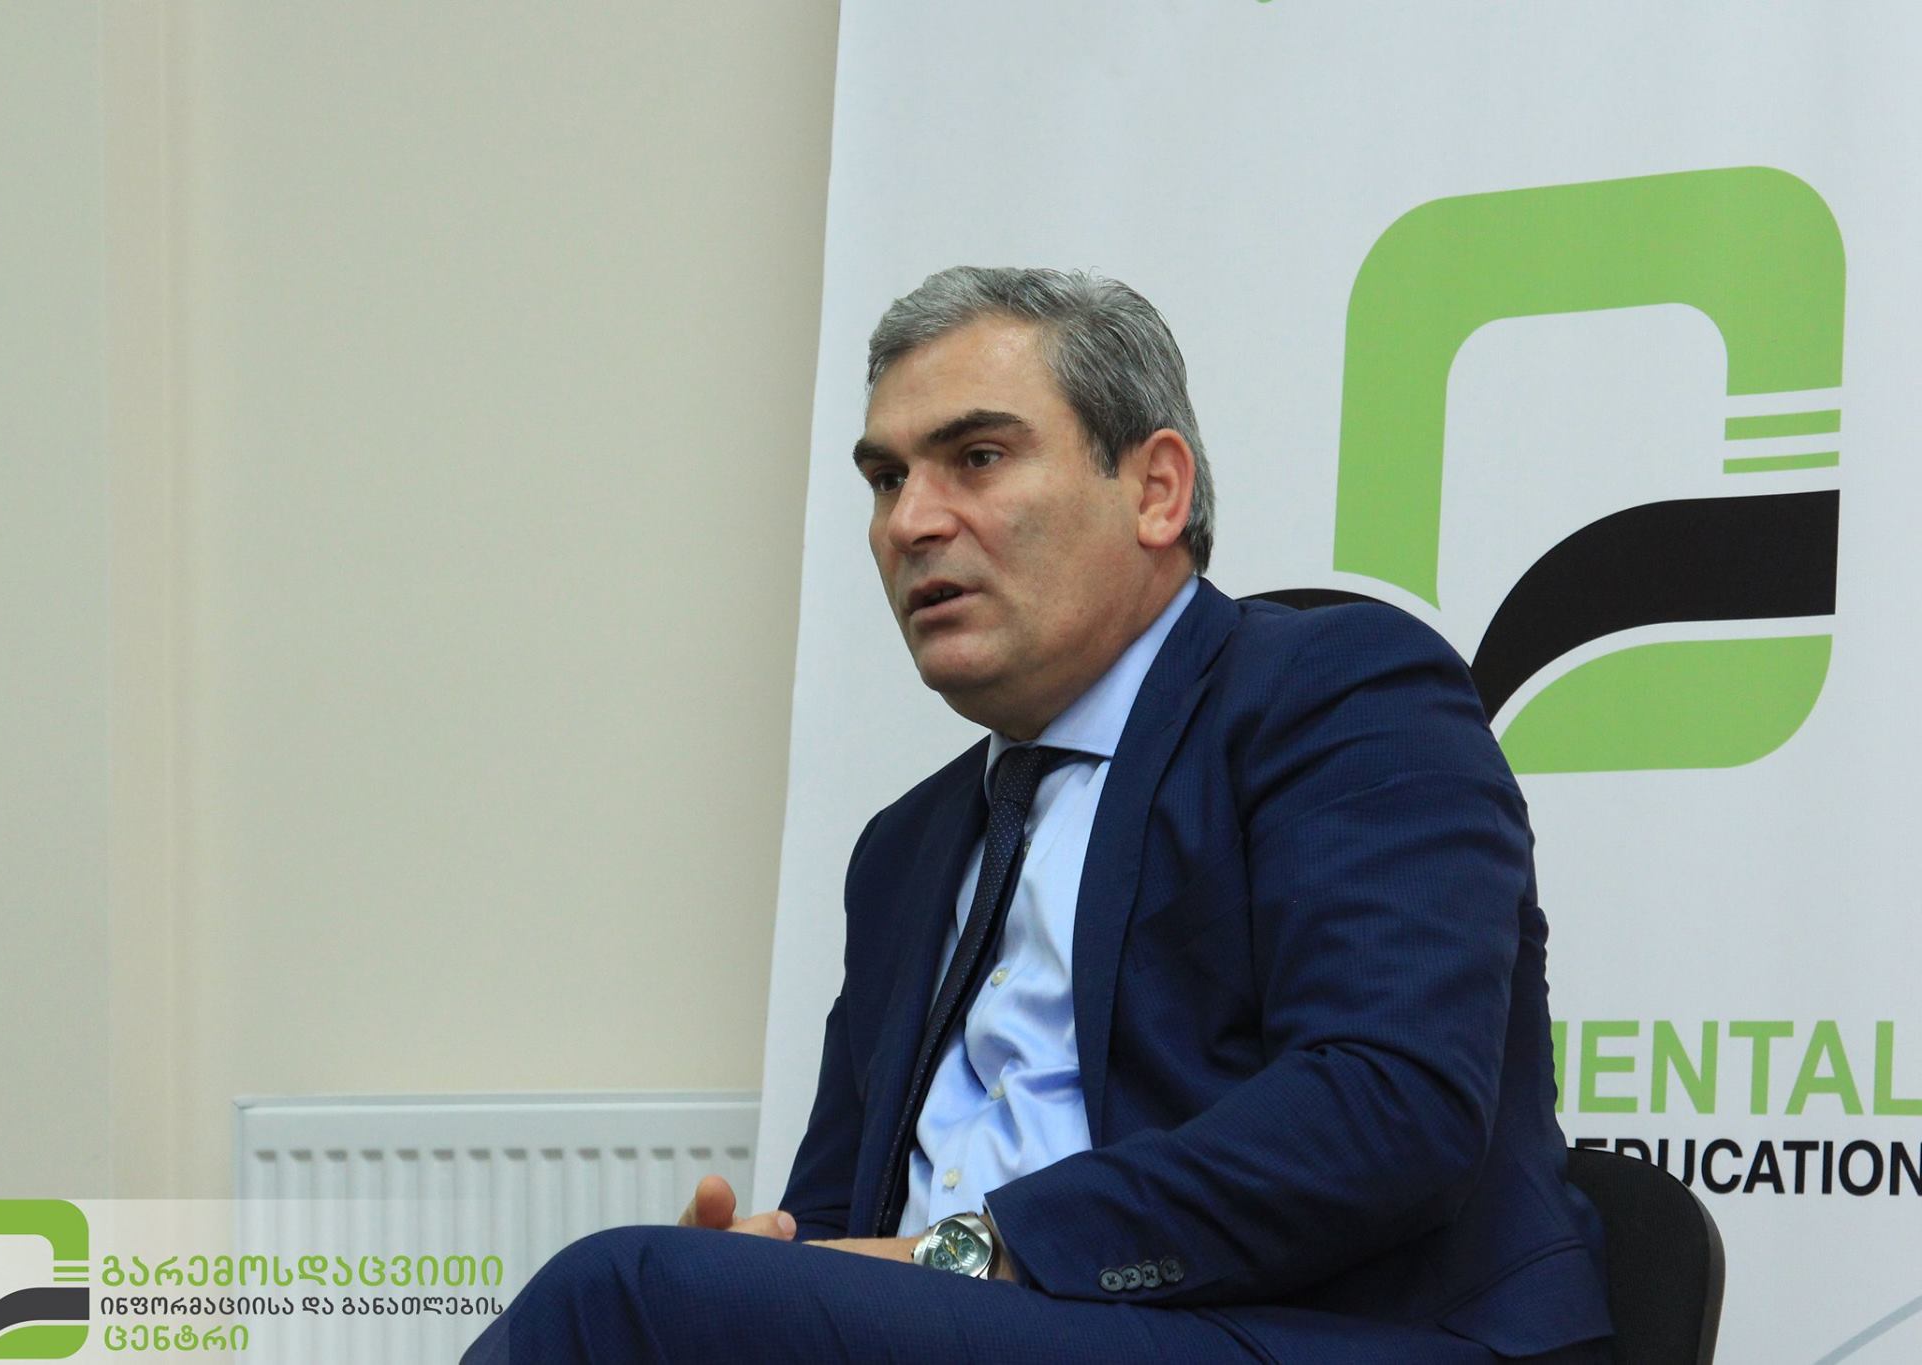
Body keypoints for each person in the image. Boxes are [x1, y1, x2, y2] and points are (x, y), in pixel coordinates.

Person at [464, 268, 1614, 1362]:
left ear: (1154, 490)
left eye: (975, 457)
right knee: (669, 1298)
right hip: (988, 1328)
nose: (911, 522)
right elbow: (839, 1219)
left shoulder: (1336, 691)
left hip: (1309, 1331)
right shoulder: (905, 848)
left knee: (618, 1292)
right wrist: (764, 1264)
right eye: (885, 479)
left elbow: (1386, 1110)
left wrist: (978, 1253)